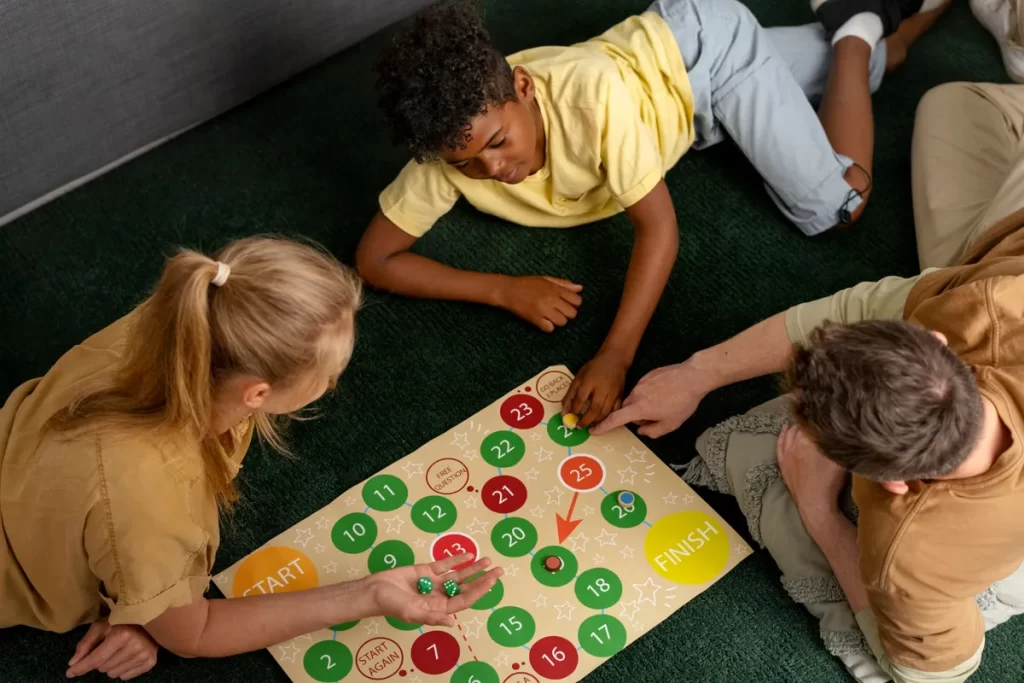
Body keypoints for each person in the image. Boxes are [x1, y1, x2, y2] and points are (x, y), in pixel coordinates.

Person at [594, 81, 1024, 682]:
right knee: (953, 102)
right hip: (999, 245)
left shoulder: (915, 556)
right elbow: (856, 309)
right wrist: (700, 373)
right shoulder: (992, 298)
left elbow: (934, 677)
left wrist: (820, 511)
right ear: (936, 342)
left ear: (893, 483)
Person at [355, 0, 951, 431]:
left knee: (837, 205)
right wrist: (503, 289)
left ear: (523, 85)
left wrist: (615, 356)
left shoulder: (594, 97)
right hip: (678, 89)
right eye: (467, 165)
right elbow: (376, 258)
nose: (493, 169)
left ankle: (856, 21)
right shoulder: (447, 147)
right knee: (878, 65)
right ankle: (881, 24)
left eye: (497, 142)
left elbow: (659, 229)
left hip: (706, 53)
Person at [0, 237, 502, 681]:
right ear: (256, 392)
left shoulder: (186, 317)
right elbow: (193, 633)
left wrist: (143, 605)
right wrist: (367, 594)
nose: (331, 385)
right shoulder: (151, 501)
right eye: (328, 374)